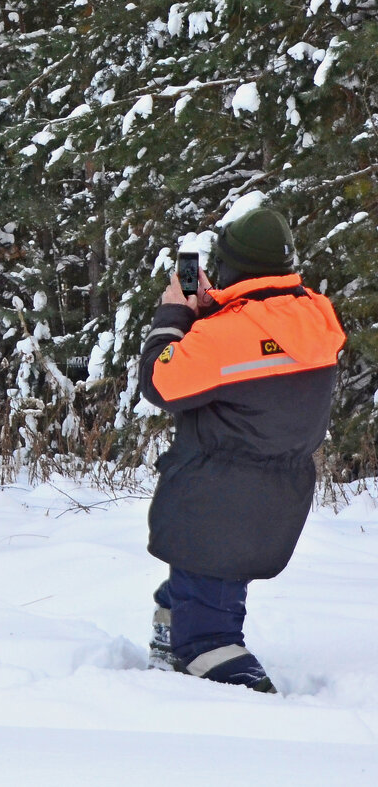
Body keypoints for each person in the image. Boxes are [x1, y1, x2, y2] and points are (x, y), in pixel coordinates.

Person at [139, 206, 345, 692]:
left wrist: (176, 314)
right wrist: (220, 310)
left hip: (214, 501)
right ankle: (171, 630)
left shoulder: (221, 335)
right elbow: (262, 350)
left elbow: (160, 382)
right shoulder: (317, 316)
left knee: (207, 637)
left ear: (230, 266)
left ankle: (214, 675)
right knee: (207, 585)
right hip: (277, 498)